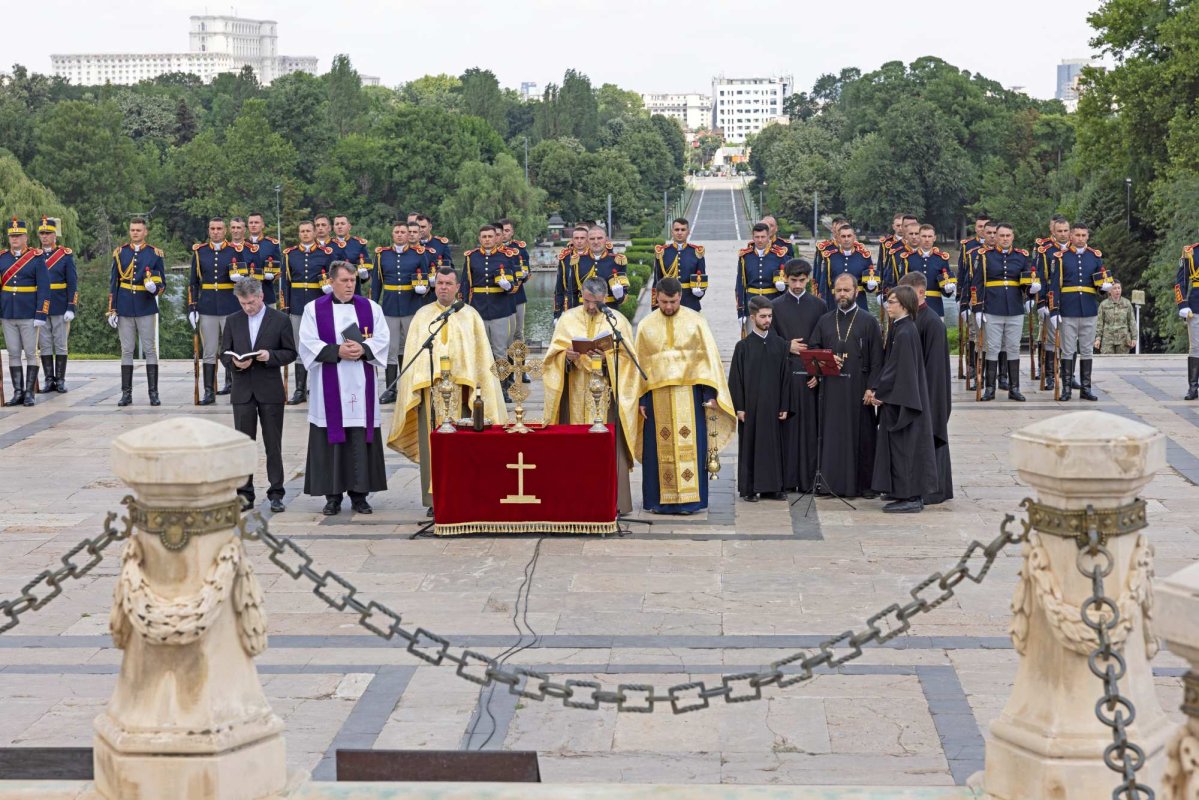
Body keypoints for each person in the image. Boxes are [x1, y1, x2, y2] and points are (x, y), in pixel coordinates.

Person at [388, 267, 508, 512]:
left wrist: (477, 389)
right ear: (435, 286)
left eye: (448, 283)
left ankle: (466, 494)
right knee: (433, 446)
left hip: (463, 393)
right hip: (429, 394)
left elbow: (480, 357)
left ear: (457, 287)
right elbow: (413, 353)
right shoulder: (422, 316)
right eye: (439, 283)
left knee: (464, 446)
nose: (443, 287)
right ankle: (435, 499)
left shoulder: (469, 315)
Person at [634, 277, 736, 514]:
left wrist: (711, 394)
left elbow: (708, 360)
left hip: (689, 395)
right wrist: (642, 399)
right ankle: (658, 501)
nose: (668, 307)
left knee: (691, 447)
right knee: (657, 451)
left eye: (672, 301)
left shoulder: (696, 321)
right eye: (663, 302)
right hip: (657, 396)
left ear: (680, 296)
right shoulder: (646, 325)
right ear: (656, 297)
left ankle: (690, 501)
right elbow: (640, 365)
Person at [541, 277, 640, 513]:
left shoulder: (617, 321)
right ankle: (573, 500)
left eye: (595, 302)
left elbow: (629, 362)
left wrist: (607, 360)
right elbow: (551, 358)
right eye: (586, 301)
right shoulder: (567, 319)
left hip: (605, 396)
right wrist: (566, 357)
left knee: (605, 447)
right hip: (574, 392)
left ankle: (610, 501)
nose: (590, 307)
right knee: (575, 448)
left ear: (605, 298)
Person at [299, 261, 390, 516]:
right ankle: (333, 496)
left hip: (361, 383)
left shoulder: (370, 307)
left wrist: (364, 349)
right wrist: (336, 350)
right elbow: (306, 342)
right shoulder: (314, 309)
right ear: (331, 282)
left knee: (360, 437)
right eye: (344, 281)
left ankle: (360, 496)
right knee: (331, 436)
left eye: (353, 281)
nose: (350, 285)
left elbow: (383, 338)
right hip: (330, 381)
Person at [220, 278, 296, 514]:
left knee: (273, 444)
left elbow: (290, 352)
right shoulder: (233, 320)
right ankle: (244, 494)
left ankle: (276, 493)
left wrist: (269, 356)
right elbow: (223, 353)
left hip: (269, 389)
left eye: (251, 303)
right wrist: (233, 363)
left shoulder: (280, 319)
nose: (248, 308)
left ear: (261, 296)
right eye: (243, 303)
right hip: (242, 390)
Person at [807, 273, 883, 498]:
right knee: (833, 436)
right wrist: (827, 359)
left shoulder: (868, 321)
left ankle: (862, 486)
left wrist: (872, 387)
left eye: (846, 290)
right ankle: (831, 484)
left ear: (856, 292)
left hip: (859, 389)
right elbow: (813, 350)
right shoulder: (825, 320)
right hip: (831, 390)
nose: (842, 295)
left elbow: (878, 359)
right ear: (833, 292)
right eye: (838, 290)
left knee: (861, 436)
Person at [870, 286, 937, 513]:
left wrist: (880, 392)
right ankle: (901, 492)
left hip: (904, 401)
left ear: (905, 305)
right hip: (898, 398)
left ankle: (911, 496)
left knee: (906, 449)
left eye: (891, 302)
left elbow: (901, 369)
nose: (887, 305)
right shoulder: (900, 328)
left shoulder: (906, 332)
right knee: (898, 448)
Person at [729, 296, 792, 502]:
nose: (767, 320)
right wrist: (739, 407)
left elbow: (785, 377)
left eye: (770, 316)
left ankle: (774, 487)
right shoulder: (743, 347)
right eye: (763, 317)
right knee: (751, 446)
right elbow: (735, 380)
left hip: (773, 406)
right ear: (753, 317)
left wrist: (784, 404)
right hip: (751, 408)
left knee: (775, 446)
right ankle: (750, 489)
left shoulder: (780, 345)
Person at [770, 259, 825, 492]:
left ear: (809, 280)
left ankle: (810, 479)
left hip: (811, 376)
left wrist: (819, 371)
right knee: (788, 429)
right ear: (785, 278)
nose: (798, 285)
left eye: (802, 280)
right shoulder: (774, 306)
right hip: (785, 375)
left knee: (811, 430)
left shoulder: (820, 306)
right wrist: (786, 346)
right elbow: (767, 341)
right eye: (793, 280)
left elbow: (825, 341)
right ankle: (787, 478)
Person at [899, 272, 953, 505]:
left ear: (920, 293)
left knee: (930, 440)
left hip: (929, 395)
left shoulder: (930, 322)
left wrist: (927, 401)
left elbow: (934, 369)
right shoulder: (911, 319)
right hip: (914, 394)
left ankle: (932, 490)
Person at [971, 223, 1036, 402]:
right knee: (992, 348)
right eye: (1001, 235)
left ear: (1013, 237)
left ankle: (1014, 388)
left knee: (1013, 347)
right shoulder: (985, 257)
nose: (1005, 238)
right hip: (992, 307)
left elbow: (1026, 281)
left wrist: (1032, 293)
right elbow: (977, 283)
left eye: (1008, 235)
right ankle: (990, 388)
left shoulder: (1021, 257)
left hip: (1014, 308)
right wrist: (977, 308)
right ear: (996, 237)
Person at [1048, 222, 1111, 401]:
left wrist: (1104, 287)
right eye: (1077, 235)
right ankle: (1066, 388)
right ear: (1071, 237)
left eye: (1084, 235)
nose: (1080, 239)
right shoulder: (1060, 257)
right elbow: (1053, 286)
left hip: (1089, 309)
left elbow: (1100, 280)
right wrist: (1054, 310)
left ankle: (1086, 388)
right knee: (1068, 350)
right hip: (1068, 309)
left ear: (1088, 237)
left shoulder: (1095, 257)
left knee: (1087, 350)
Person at [373, 220, 434, 404]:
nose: (399, 235)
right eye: (397, 232)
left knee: (412, 347)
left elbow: (425, 280)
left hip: (411, 306)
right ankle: (391, 389)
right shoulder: (382, 255)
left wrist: (425, 292)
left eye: (403, 232)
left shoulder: (419, 254)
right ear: (392, 235)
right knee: (391, 349)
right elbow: (377, 283)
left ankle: (412, 387)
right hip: (390, 307)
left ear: (409, 235)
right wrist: (373, 306)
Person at [107, 218, 165, 407]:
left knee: (150, 349)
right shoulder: (120, 253)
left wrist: (154, 289)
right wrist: (112, 309)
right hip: (124, 306)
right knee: (126, 350)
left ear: (145, 232)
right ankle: (126, 394)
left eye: (138, 230)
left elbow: (162, 284)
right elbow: (114, 283)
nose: (135, 233)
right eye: (132, 230)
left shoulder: (154, 254)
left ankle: (153, 393)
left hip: (145, 305)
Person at [188, 217, 245, 405]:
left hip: (231, 305)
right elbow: (193, 283)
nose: (216, 232)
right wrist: (192, 306)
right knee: (209, 350)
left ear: (225, 230)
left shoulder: (235, 251)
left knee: (233, 349)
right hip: (207, 306)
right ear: (208, 230)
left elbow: (245, 279)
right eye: (212, 228)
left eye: (219, 228)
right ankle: (208, 391)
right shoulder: (200, 252)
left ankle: (236, 387)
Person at [461, 223, 520, 400]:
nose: (487, 240)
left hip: (499, 307)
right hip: (478, 308)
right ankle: (481, 385)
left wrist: (508, 286)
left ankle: (502, 388)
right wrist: (464, 306)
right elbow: (466, 283)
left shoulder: (506, 256)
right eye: (484, 237)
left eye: (490, 236)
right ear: (479, 239)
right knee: (480, 349)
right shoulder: (471, 257)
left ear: (496, 238)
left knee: (500, 350)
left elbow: (515, 282)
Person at [281, 220, 335, 405]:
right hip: (297, 306)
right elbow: (285, 283)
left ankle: (321, 386)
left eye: (308, 231)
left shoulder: (325, 253)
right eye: (302, 231)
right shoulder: (290, 255)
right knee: (299, 348)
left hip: (319, 305)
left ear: (314, 233)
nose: (305, 234)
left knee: (321, 346)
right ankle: (299, 389)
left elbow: (332, 278)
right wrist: (285, 306)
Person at [0, 219, 48, 407]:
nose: (15, 239)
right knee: (13, 353)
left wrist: (41, 313)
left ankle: (29, 393)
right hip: (8, 313)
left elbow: (44, 288)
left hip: (29, 313)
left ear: (26, 237)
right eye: (12, 236)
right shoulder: (2, 258)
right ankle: (18, 392)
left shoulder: (36, 258)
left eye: (18, 235)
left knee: (30, 353)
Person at [35, 216, 76, 394]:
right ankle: (48, 380)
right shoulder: (33, 255)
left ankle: (60, 380)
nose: (44, 236)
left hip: (59, 304)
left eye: (48, 233)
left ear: (55, 235)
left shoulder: (64, 256)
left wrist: (71, 306)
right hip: (40, 307)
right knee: (44, 344)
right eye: (42, 233)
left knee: (60, 344)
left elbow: (72, 282)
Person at [1033, 216, 1070, 392]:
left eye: (1065, 231)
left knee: (1069, 340)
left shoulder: (1074, 250)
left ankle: (1069, 375)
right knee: (1049, 340)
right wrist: (1041, 303)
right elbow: (1040, 277)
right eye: (1059, 231)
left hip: (1070, 301)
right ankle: (1049, 375)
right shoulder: (1045, 251)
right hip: (1050, 299)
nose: (1063, 234)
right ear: (1053, 232)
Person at [894, 225, 956, 317]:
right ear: (919, 237)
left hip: (935, 307)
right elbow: (902, 285)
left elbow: (946, 290)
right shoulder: (908, 258)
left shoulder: (941, 259)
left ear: (934, 238)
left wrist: (949, 290)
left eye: (929, 236)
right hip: (913, 306)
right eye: (924, 236)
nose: (927, 239)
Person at [957, 215, 991, 387]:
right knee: (972, 333)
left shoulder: (996, 246)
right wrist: (961, 298)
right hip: (973, 295)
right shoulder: (968, 247)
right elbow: (963, 274)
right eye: (980, 226)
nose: (983, 229)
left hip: (991, 299)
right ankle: (972, 365)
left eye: (986, 226)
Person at [736, 223, 788, 331]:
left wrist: (783, 288)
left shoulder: (778, 255)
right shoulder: (745, 256)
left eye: (763, 237)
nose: (760, 240)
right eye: (757, 237)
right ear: (753, 237)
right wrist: (741, 311)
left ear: (769, 236)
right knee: (752, 342)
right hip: (752, 305)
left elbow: (787, 281)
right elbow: (740, 285)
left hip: (772, 304)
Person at [815, 224, 877, 311]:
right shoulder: (830, 257)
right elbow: (825, 283)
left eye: (849, 236)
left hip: (858, 303)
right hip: (834, 304)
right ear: (838, 238)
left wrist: (870, 286)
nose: (846, 239)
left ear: (854, 237)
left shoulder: (864, 256)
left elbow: (870, 287)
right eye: (843, 236)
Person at [653, 217, 707, 311]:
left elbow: (701, 277)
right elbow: (657, 281)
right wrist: (655, 306)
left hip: (690, 303)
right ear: (672, 232)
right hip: (668, 305)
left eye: (683, 229)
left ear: (688, 232)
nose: (680, 232)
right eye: (677, 229)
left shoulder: (696, 252)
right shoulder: (662, 252)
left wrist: (701, 292)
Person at [574, 226, 629, 310]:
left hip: (609, 311)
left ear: (606, 239)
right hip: (583, 311)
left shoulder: (617, 261)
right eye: (592, 239)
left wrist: (619, 295)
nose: (596, 242)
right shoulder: (577, 261)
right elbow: (572, 292)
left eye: (599, 238)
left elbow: (622, 298)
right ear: (587, 240)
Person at [499, 219, 531, 343]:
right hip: (498, 295)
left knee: (518, 332)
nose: (504, 233)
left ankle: (519, 361)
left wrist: (524, 274)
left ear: (512, 232)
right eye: (501, 231)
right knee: (502, 333)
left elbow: (527, 271)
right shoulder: (493, 248)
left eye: (507, 230)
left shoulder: (519, 248)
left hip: (517, 295)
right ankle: (502, 361)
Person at [245, 212, 283, 309]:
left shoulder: (271, 244)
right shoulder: (241, 245)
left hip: (266, 293)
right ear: (247, 225)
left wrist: (272, 275)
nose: (253, 225)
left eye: (256, 222)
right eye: (251, 222)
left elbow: (279, 269)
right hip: (245, 295)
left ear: (262, 225)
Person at [1176, 240, 1199, 400]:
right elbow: (1181, 281)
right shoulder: (1190, 252)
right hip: (1197, 303)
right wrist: (1182, 303)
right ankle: (1193, 387)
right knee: (1196, 346)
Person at [554, 225, 591, 317]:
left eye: (582, 238)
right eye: (576, 238)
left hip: (590, 305)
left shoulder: (593, 256)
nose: (579, 241)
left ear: (587, 239)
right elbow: (559, 288)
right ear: (572, 240)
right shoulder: (565, 258)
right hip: (570, 305)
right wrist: (557, 313)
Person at [331, 214, 372, 291]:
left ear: (349, 227)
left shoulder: (358, 244)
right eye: (337, 224)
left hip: (353, 289)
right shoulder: (327, 246)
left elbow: (367, 272)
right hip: (333, 290)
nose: (339, 226)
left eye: (342, 224)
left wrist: (365, 275)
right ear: (333, 228)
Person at [1096, 281, 1136, 354]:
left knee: (1122, 363)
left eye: (1119, 288)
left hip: (1123, 340)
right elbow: (1099, 323)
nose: (1117, 290)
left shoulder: (1126, 303)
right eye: (1114, 288)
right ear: (1109, 291)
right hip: (1108, 340)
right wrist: (1098, 339)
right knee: (1107, 362)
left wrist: (1134, 338)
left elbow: (1132, 321)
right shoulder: (1103, 305)